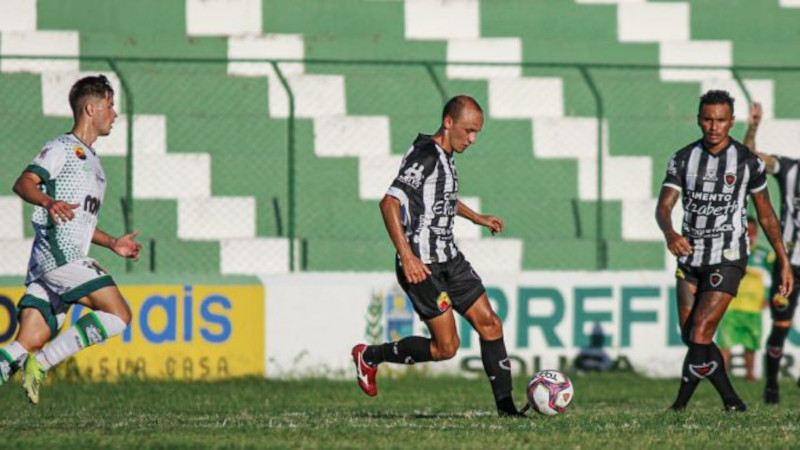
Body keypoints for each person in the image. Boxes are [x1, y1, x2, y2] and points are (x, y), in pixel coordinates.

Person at [351, 95, 523, 417]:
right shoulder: (426, 155)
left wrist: (477, 218)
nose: (472, 139)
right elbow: (389, 203)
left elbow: (440, 197)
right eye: (469, 130)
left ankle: (508, 411)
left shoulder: (445, 156)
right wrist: (407, 256)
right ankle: (370, 355)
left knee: (491, 324)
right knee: (446, 348)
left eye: (477, 133)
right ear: (448, 122)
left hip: (450, 259)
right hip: (422, 267)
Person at [0, 75, 141, 404]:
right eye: (110, 106)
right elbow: (24, 182)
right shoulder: (62, 148)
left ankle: (30, 359)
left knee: (27, 342)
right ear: (91, 109)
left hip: (53, 260)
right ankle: (44, 364)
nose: (115, 114)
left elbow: (80, 222)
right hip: (59, 256)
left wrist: (113, 243)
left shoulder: (93, 163)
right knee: (119, 316)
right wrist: (47, 201)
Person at [655, 89, 792, 412]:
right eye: (707, 119)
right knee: (691, 335)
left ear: (731, 122)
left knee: (702, 330)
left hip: (728, 257)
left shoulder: (747, 162)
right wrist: (670, 231)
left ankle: (679, 406)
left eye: (720, 120)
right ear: (699, 120)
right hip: (689, 257)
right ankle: (732, 400)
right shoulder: (683, 158)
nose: (713, 126)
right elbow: (664, 206)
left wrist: (783, 260)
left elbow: (767, 214)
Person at [743, 101, 800, 404]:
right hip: (789, 265)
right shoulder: (790, 169)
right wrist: (753, 128)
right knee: (781, 327)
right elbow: (750, 158)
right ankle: (772, 388)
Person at [717, 217, 773, 382]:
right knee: (725, 343)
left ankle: (750, 376)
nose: (749, 235)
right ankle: (722, 377)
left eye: (752, 231)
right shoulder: (728, 253)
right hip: (730, 306)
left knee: (751, 344)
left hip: (754, 308)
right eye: (745, 231)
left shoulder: (765, 256)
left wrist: (769, 297)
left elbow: (777, 277)